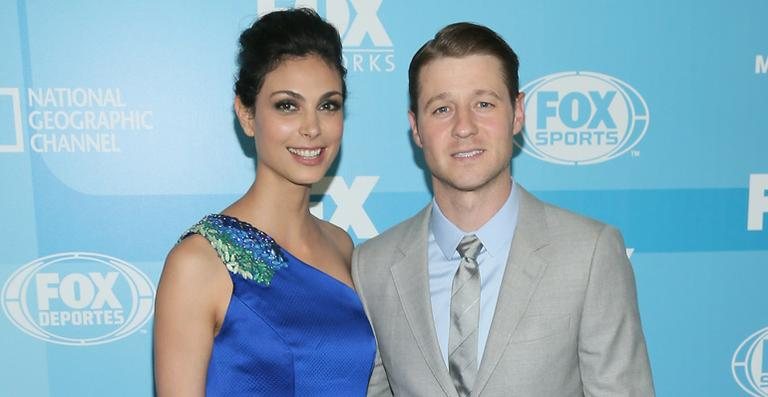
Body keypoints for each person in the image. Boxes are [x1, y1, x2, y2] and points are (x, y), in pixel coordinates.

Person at [352, 22, 654, 396]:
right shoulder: (372, 267)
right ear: (416, 127)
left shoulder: (589, 254)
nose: (464, 127)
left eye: (483, 104)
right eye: (442, 108)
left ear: (518, 112)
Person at [154, 9, 375, 396]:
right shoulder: (198, 263)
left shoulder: (341, 246)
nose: (312, 127)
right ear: (247, 114)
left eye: (329, 105)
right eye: (287, 105)